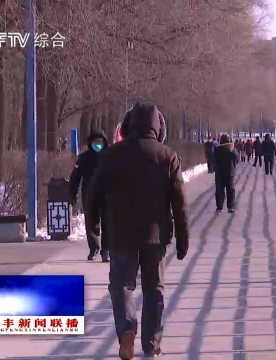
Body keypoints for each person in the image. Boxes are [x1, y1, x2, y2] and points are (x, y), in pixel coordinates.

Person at [86, 103, 189, 359]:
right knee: (154, 289)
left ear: (127, 125)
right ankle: (152, 345)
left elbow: (93, 194)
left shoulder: (112, 155)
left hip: (120, 234)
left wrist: (93, 225)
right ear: (158, 127)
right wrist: (183, 237)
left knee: (121, 286)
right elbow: (179, 201)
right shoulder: (167, 156)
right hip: (156, 237)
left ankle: (127, 330)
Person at [69, 128, 110, 262]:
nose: (97, 144)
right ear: (90, 143)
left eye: (100, 142)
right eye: (95, 142)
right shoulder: (84, 158)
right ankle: (94, 247)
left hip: (107, 195)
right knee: (90, 223)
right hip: (90, 195)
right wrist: (72, 194)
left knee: (108, 223)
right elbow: (75, 177)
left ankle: (106, 250)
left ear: (104, 142)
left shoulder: (110, 156)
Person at [213, 133, 239, 213]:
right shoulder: (233, 149)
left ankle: (219, 206)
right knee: (230, 190)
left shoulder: (217, 150)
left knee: (219, 190)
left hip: (220, 173)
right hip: (230, 173)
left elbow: (214, 160)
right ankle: (230, 207)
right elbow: (237, 160)